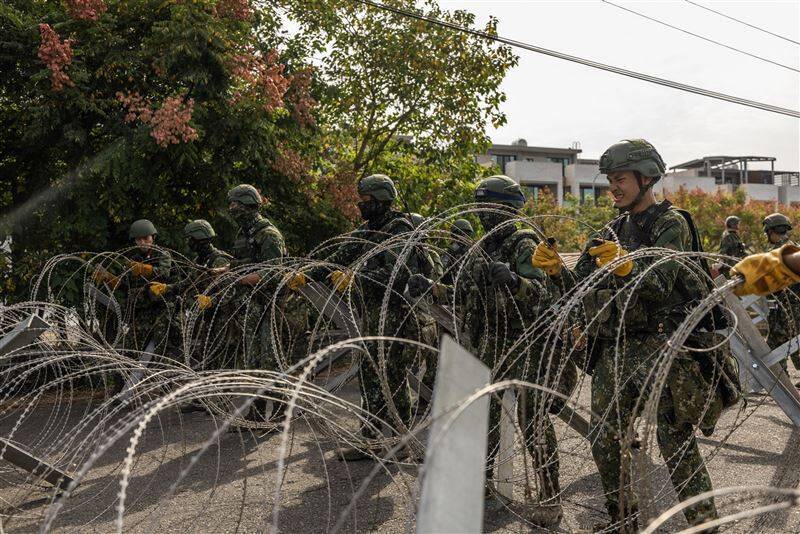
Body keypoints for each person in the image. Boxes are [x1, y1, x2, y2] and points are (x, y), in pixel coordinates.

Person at [534, 139, 726, 532]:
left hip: (663, 347)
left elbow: (661, 284)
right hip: (617, 349)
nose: (613, 188)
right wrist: (556, 273)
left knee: (675, 444)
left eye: (620, 179)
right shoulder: (610, 231)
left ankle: (705, 526)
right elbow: (579, 291)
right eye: (610, 181)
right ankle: (623, 520)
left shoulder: (670, 223)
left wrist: (626, 267)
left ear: (646, 178)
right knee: (604, 439)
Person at [409, 175, 572, 525]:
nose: (482, 213)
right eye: (479, 205)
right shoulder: (480, 247)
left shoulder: (523, 243)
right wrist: (434, 288)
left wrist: (515, 281)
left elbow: (546, 294)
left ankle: (550, 496)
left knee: (532, 419)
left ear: (506, 209)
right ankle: (479, 485)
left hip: (523, 343)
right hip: (489, 343)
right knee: (483, 417)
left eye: (489, 206)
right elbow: (463, 291)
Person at [293, 174, 436, 460]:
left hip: (396, 315)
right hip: (371, 315)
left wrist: (356, 279)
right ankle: (370, 441)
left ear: (382, 200)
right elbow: (337, 258)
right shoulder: (368, 230)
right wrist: (306, 275)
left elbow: (398, 274)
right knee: (370, 377)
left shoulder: (399, 230)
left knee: (392, 378)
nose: (362, 205)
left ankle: (400, 443)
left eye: (367, 200)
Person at [762, 213, 800, 383]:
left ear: (771, 231)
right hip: (793, 305)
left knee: (778, 344)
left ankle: (780, 380)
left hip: (785, 307)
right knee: (789, 343)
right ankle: (781, 378)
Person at [440, 218, 475, 285]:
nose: (466, 236)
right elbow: (442, 270)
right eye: (463, 233)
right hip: (452, 285)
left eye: (468, 233)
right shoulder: (450, 250)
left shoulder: (472, 249)